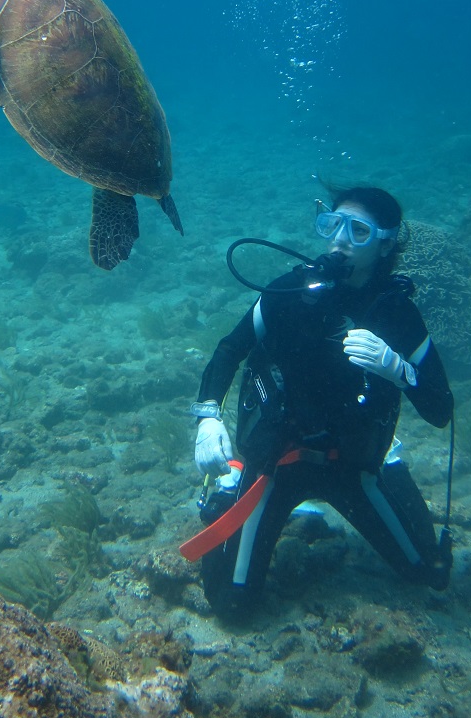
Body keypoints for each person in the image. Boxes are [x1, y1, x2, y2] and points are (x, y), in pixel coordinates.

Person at [187, 185, 454, 621]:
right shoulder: (291, 291)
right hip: (278, 463)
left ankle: (394, 468)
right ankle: (229, 486)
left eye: (359, 231)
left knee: (430, 573)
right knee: (232, 607)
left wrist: (401, 371)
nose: (340, 239)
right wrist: (207, 416)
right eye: (333, 224)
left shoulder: (396, 314)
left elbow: (441, 410)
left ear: (386, 242)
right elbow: (230, 349)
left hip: (352, 466)